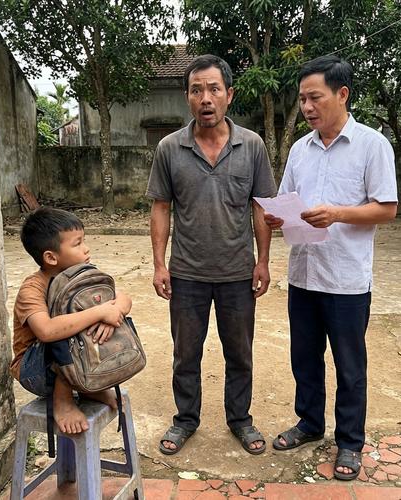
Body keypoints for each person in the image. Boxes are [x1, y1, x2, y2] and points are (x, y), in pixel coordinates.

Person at [265, 55, 397, 480]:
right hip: (304, 273)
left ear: (342, 94)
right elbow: (287, 198)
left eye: (315, 97)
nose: (307, 107)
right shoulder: (299, 150)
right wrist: (277, 216)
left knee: (349, 365)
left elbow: (387, 208)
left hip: (346, 280)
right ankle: (309, 423)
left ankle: (350, 442)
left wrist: (338, 213)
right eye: (302, 99)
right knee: (304, 358)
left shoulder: (372, 145)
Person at [146, 54, 277, 455]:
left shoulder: (252, 146)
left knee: (240, 353)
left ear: (229, 95)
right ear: (187, 97)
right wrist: (159, 264)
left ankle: (241, 420)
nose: (205, 98)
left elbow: (261, 207)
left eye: (214, 89)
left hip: (238, 273)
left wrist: (263, 261)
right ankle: (185, 420)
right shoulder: (169, 148)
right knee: (185, 354)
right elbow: (161, 207)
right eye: (196, 90)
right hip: (187, 274)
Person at [10, 207, 132, 434]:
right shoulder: (32, 288)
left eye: (84, 241)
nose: (86, 249)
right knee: (68, 327)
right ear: (50, 257)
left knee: (109, 319)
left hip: (75, 364)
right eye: (77, 244)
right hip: (36, 371)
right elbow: (46, 331)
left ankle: (89, 388)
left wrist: (112, 314)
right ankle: (63, 401)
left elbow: (123, 298)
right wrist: (99, 313)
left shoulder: (82, 276)